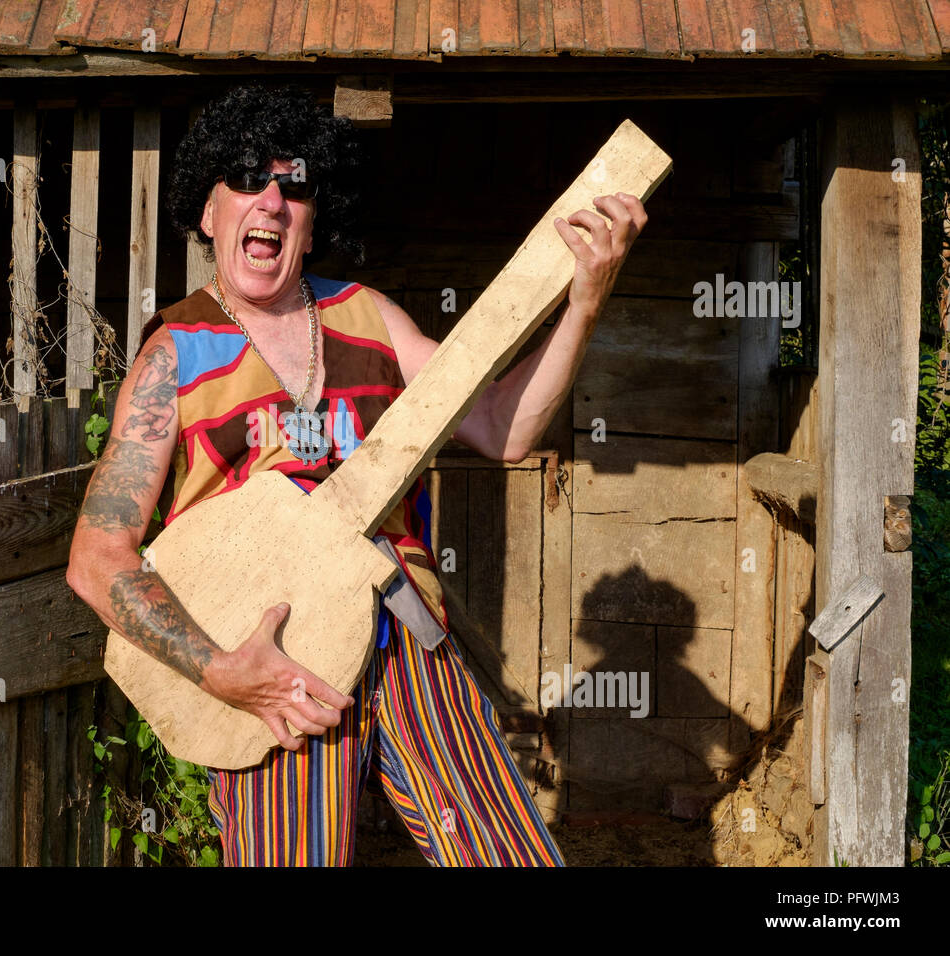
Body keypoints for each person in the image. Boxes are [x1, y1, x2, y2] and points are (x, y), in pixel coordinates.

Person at [66, 83, 647, 866]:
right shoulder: (175, 355)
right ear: (208, 212)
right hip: (278, 676)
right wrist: (222, 671)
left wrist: (583, 301)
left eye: (294, 184)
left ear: (313, 217)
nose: (270, 199)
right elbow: (97, 559)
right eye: (245, 178)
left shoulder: (370, 317)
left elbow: (502, 429)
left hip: (406, 634)